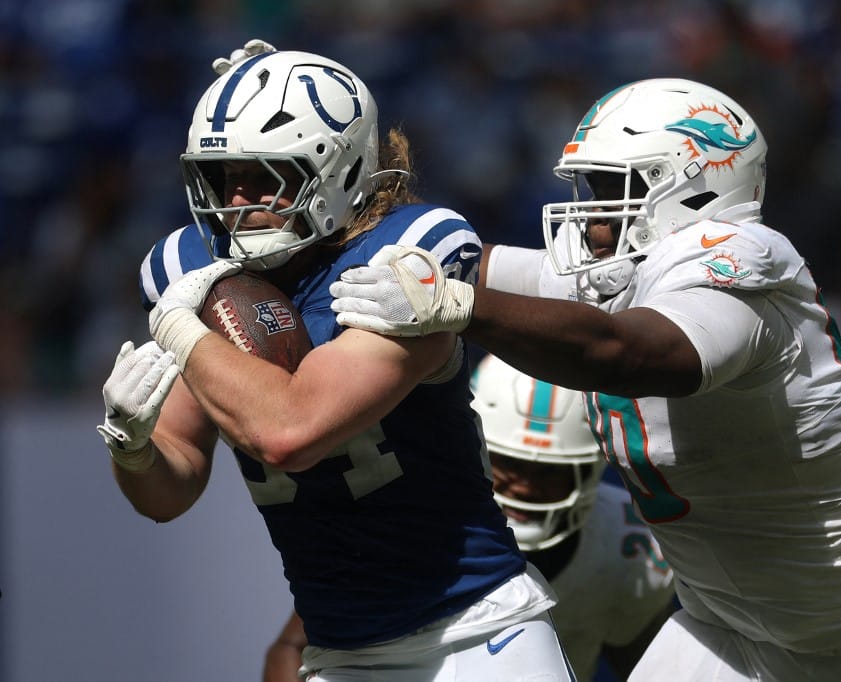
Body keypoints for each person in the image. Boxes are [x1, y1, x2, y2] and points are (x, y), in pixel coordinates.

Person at [328, 78, 841, 680]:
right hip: (736, 632)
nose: (591, 215)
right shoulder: (627, 275)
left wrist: (458, 307)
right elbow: (471, 264)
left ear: (692, 190)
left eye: (610, 190)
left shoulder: (745, 263)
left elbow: (633, 355)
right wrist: (353, 230)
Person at [97, 40, 575, 682]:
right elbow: (170, 487)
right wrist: (133, 450)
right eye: (221, 177)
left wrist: (183, 330)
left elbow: (291, 433)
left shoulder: (400, 266)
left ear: (340, 169)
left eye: (264, 175)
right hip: (337, 653)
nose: (236, 199)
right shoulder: (204, 276)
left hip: (477, 637)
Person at [263, 354, 677, 682]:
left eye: (548, 472)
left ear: (588, 471)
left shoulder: (625, 549)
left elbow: (645, 668)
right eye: (508, 465)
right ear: (476, 451)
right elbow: (293, 647)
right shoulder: (417, 523)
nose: (523, 488)